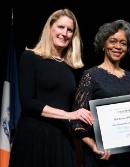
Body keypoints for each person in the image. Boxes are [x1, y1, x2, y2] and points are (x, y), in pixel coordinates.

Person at [9, 8, 94, 167]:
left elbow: (74, 105)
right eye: (61, 27)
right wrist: (69, 114)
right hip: (34, 138)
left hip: (62, 139)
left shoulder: (72, 67)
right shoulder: (30, 57)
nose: (65, 33)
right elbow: (28, 102)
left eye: (70, 30)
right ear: (50, 28)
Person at [71, 19, 130, 167]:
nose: (117, 46)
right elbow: (76, 119)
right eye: (113, 41)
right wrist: (93, 145)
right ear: (104, 44)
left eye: (123, 43)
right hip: (103, 157)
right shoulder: (90, 76)